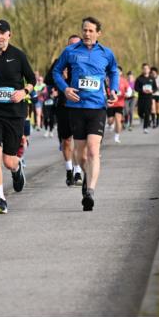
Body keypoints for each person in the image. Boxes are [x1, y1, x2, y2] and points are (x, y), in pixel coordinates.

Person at [51, 17, 119, 212]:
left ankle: (90, 191)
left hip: (97, 107)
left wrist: (113, 90)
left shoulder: (106, 53)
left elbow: (114, 71)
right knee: (80, 153)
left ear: (98, 33)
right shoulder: (71, 51)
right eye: (84, 30)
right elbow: (56, 71)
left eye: (91, 31)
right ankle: (86, 175)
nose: (87, 34)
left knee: (93, 150)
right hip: (76, 108)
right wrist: (65, 89)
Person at [0, 20, 35, 214]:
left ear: (9, 35)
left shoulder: (18, 55)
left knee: (8, 160)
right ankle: (0, 199)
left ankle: (17, 166)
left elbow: (32, 79)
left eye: (3, 33)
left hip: (14, 114)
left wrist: (24, 92)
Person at [45, 34, 82, 186]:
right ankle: (69, 170)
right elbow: (48, 80)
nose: (73, 47)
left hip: (80, 106)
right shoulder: (59, 62)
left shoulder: (84, 63)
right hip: (64, 106)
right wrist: (60, 75)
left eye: (76, 45)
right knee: (66, 141)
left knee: (79, 141)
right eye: (70, 45)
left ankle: (78, 171)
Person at [106, 66, 130, 143]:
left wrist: (127, 94)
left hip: (120, 103)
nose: (117, 72)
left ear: (121, 73)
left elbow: (129, 90)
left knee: (118, 120)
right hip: (111, 103)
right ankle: (110, 124)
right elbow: (105, 89)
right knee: (110, 120)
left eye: (118, 71)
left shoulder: (124, 81)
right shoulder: (109, 80)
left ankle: (117, 136)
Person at [134, 64, 157, 133]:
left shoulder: (152, 78)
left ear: (149, 70)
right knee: (140, 113)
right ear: (142, 69)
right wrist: (142, 90)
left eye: (147, 68)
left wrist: (152, 90)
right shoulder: (139, 78)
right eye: (144, 68)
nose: (145, 70)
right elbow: (136, 88)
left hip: (149, 98)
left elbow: (155, 88)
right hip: (141, 98)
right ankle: (146, 120)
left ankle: (145, 127)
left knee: (147, 112)